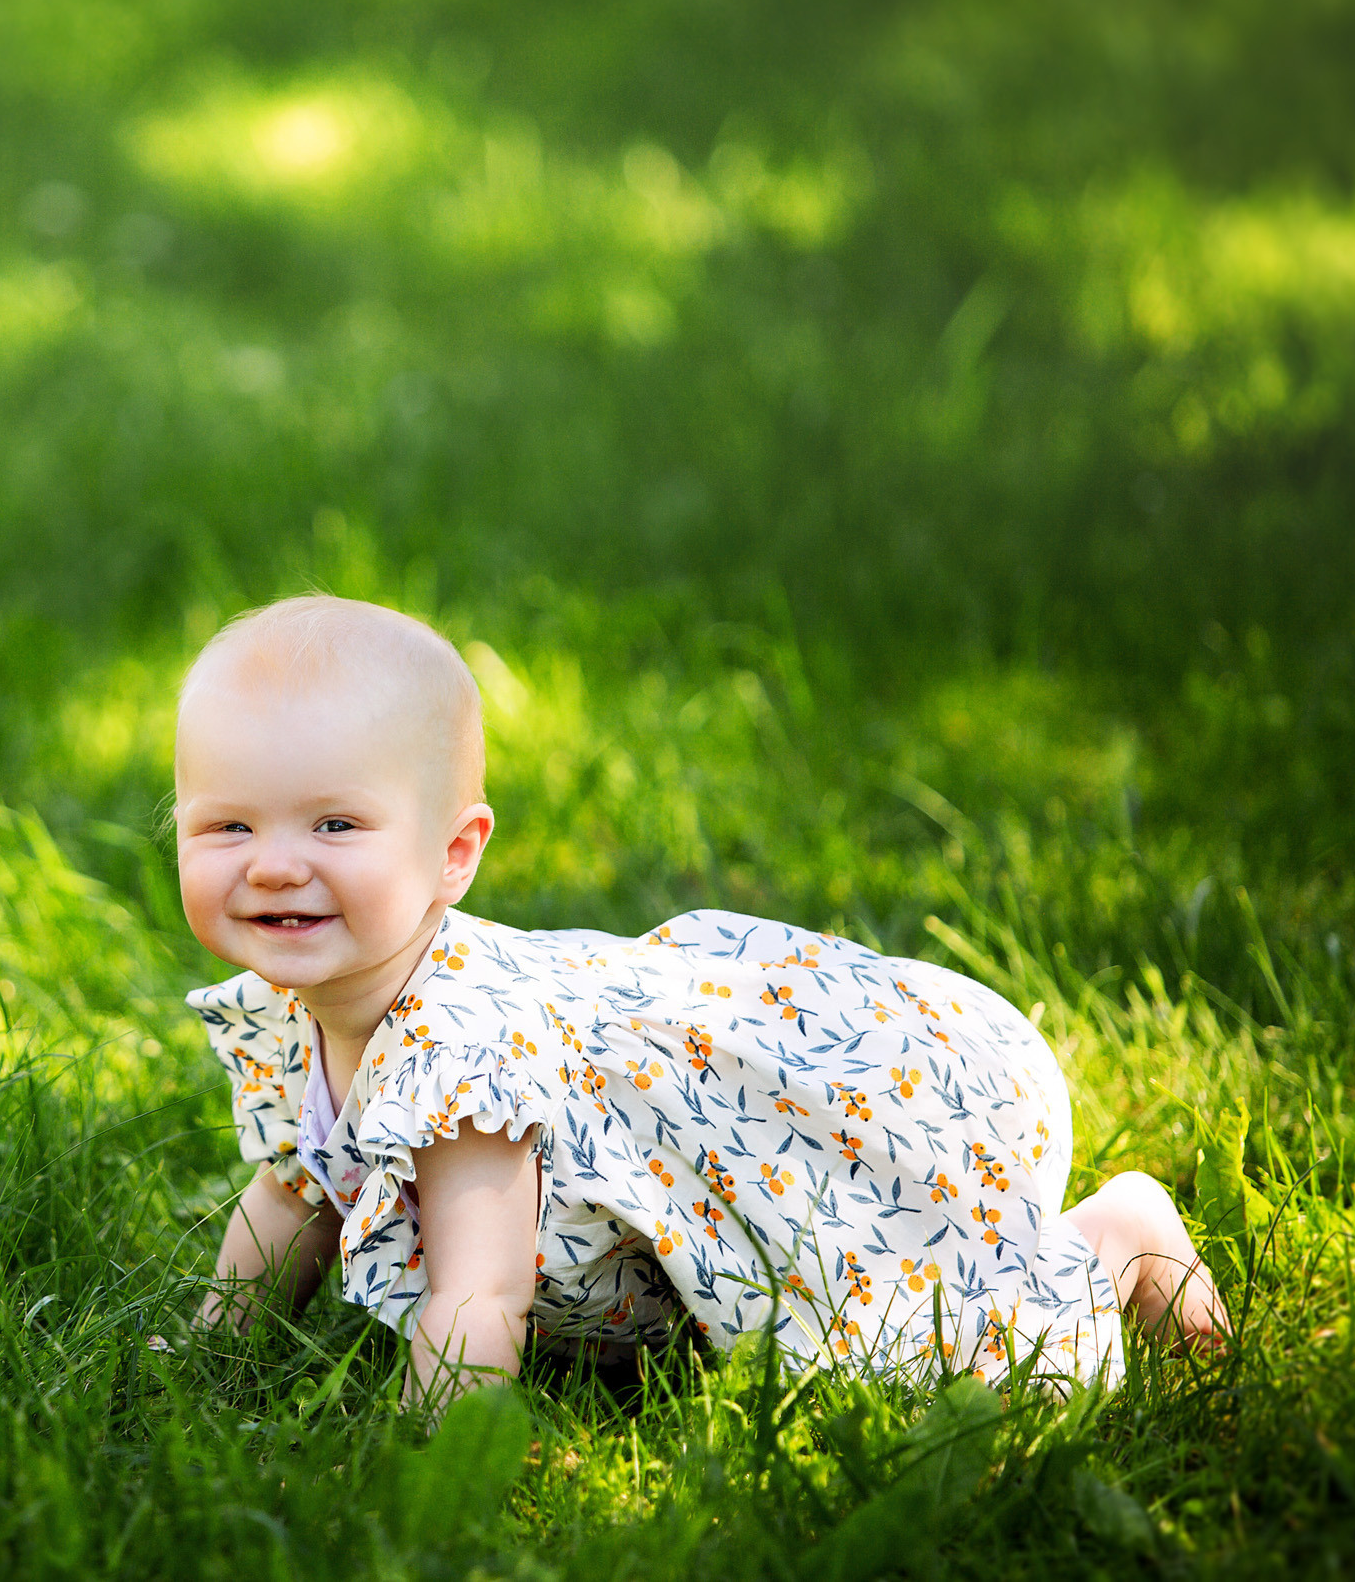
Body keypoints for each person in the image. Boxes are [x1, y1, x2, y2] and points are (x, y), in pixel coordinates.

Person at [176, 594, 1227, 1410]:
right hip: (665, 1157)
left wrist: (419, 1464)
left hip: (796, 1144)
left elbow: (476, 1294)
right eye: (228, 827)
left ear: (453, 853)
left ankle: (1105, 1237)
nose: (273, 867)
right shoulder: (298, 1015)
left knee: (925, 1357)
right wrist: (212, 1348)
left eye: (333, 826)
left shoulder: (460, 1054)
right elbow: (294, 1189)